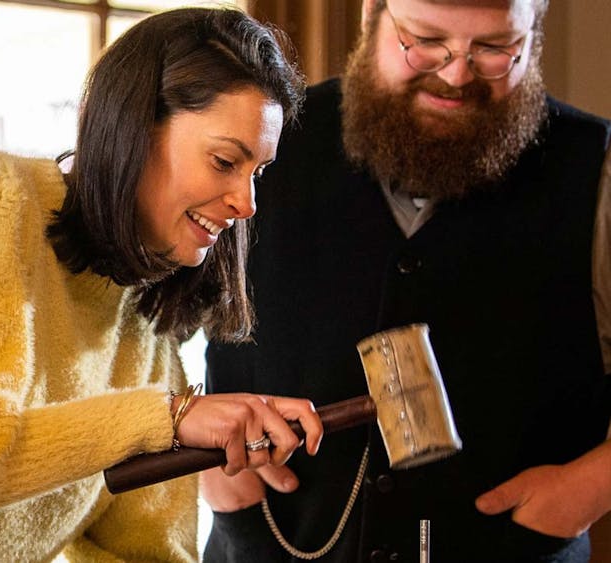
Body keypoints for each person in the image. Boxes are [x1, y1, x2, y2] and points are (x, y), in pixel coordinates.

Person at [0, 7, 323, 562]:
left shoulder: (148, 331)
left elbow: (145, 552)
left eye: (258, 173)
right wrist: (168, 419)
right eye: (225, 161)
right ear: (132, 128)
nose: (247, 204)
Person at [203, 0, 611, 561]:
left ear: (532, 33)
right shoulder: (265, 137)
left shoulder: (597, 167)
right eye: (425, 40)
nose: (455, 73)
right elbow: (137, 317)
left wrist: (587, 488)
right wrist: (209, 472)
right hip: (271, 541)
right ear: (373, 13)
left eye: (494, 48)